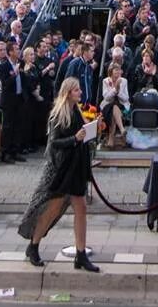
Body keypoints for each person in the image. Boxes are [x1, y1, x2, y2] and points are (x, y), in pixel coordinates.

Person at [15, 77, 99, 271]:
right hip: (61, 170)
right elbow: (54, 143)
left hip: (76, 167)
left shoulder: (77, 112)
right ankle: (34, 245)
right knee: (52, 208)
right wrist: (74, 139)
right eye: (77, 90)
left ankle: (81, 254)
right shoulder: (58, 115)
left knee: (81, 208)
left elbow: (81, 136)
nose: (80, 93)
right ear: (68, 93)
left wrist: (91, 131)